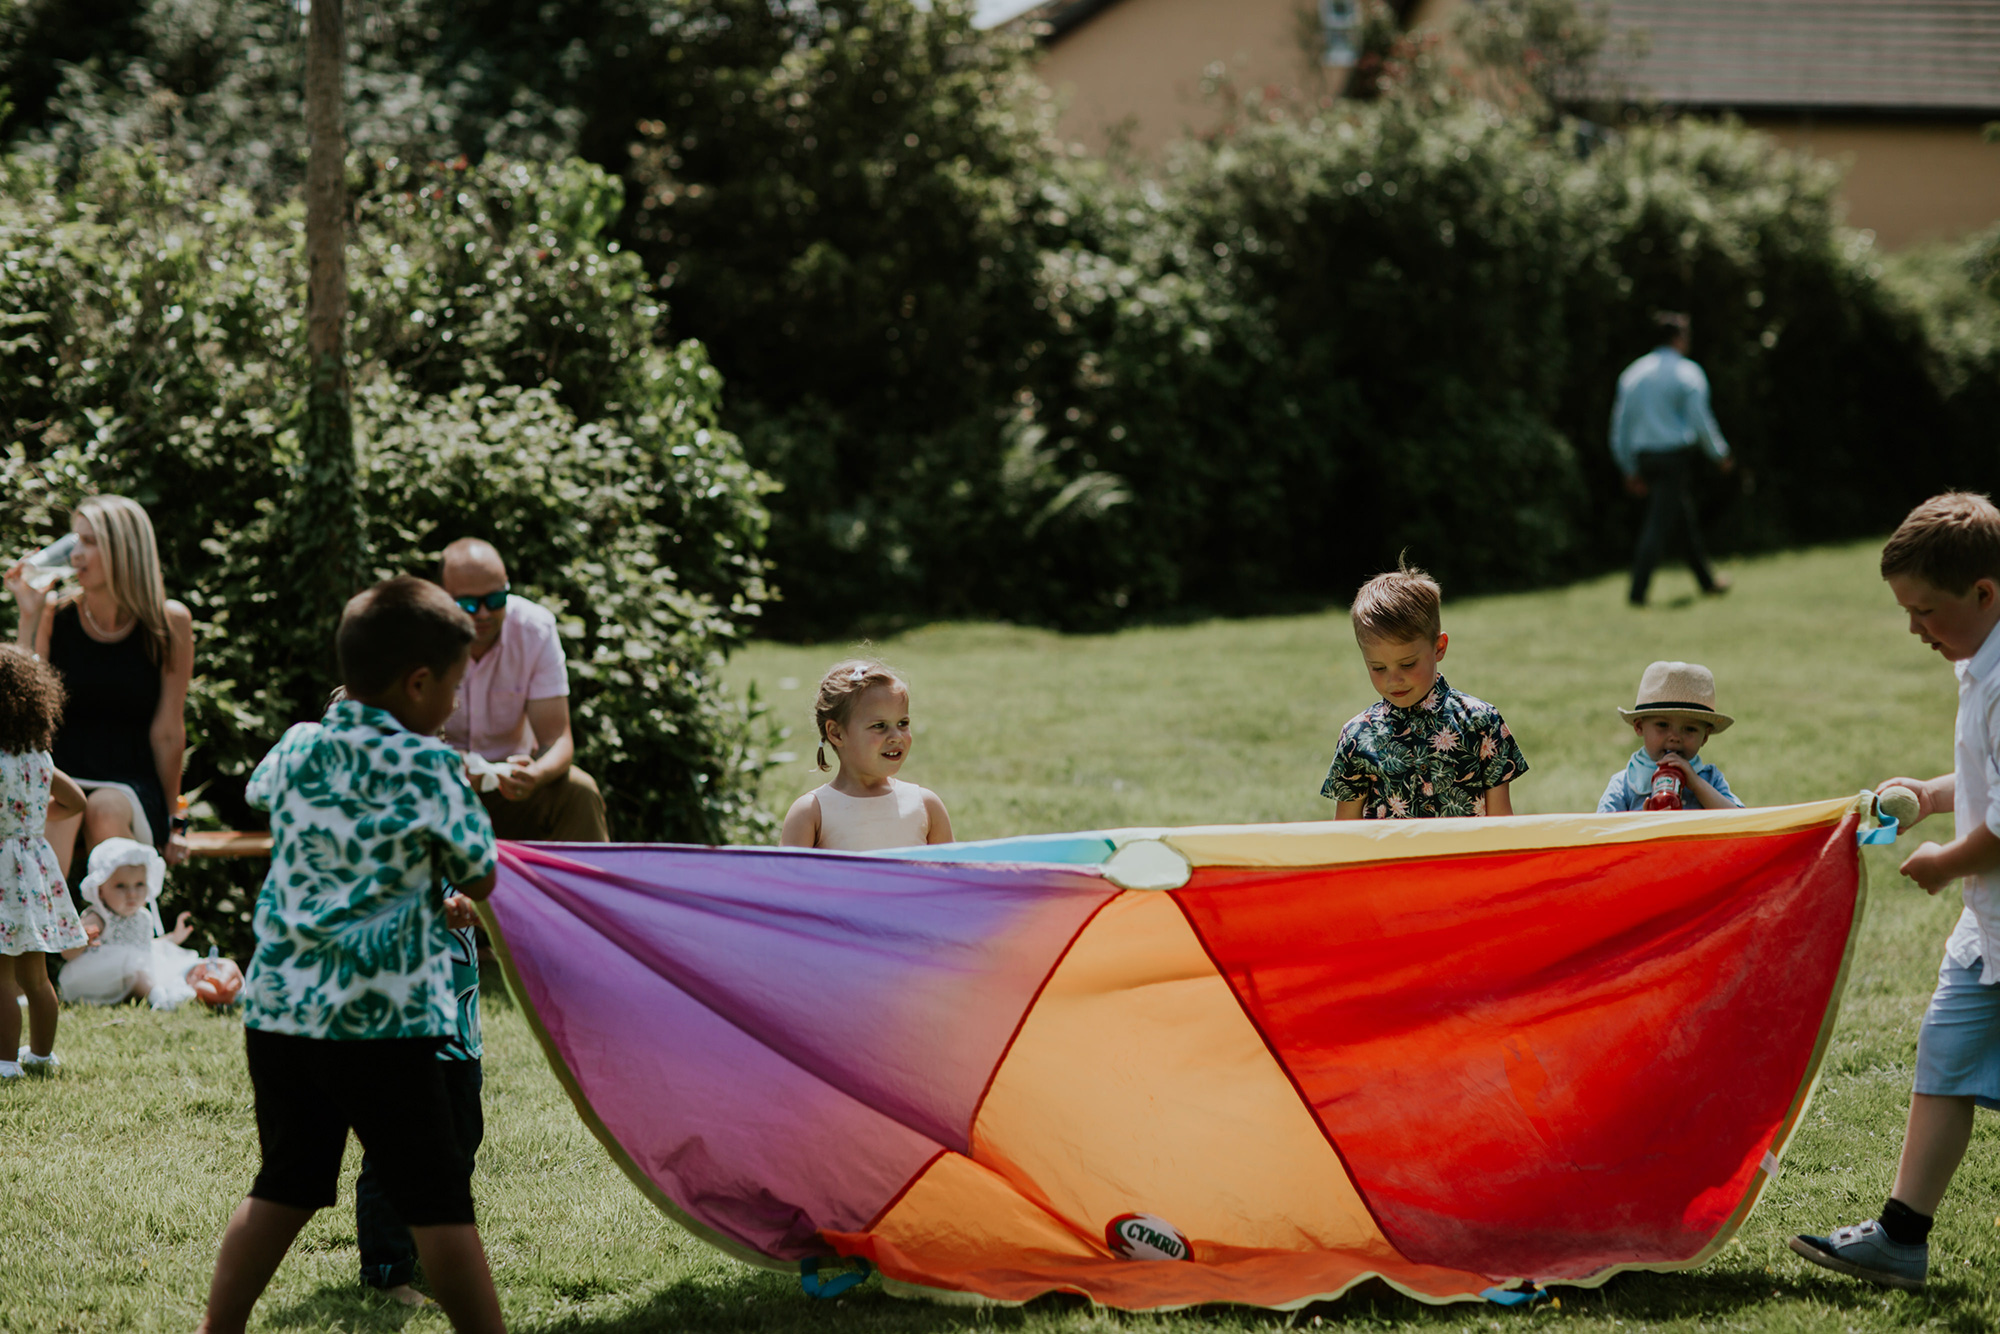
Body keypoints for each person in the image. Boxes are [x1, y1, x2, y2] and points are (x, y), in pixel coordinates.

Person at [197, 577, 505, 1334]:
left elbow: (263, 791)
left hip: (282, 1012)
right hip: (382, 1022)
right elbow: (483, 871)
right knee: (438, 1202)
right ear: (419, 682)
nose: (456, 706)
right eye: (456, 688)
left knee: (287, 1184)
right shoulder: (433, 770)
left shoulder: (301, 743)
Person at [1791, 494, 2000, 1293]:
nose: (1915, 629)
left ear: (1984, 594)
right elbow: (1987, 782)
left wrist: (1948, 862)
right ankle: (1901, 1237)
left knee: (1952, 1056)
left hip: (1990, 902)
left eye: (1926, 611)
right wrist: (1931, 792)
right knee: (1944, 1056)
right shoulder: (1976, 662)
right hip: (1986, 926)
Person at [4, 495, 196, 873]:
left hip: (130, 780)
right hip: (63, 772)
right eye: (75, 541)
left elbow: (168, 733)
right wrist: (29, 616)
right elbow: (23, 709)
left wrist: (175, 819)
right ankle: (50, 932)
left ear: (126, 548)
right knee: (56, 812)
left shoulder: (169, 623)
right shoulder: (55, 614)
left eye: (90, 542)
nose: (76, 555)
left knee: (105, 808)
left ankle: (121, 931)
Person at [354, 891, 485, 1308]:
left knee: (460, 1143)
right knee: (396, 1151)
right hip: (400, 1028)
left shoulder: (457, 841)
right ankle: (388, 1272)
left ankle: (434, 1243)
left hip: (460, 1030)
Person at [1321, 562, 1528, 819]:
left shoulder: (1482, 722)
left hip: (1466, 860)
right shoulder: (1357, 736)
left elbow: (1502, 826)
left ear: (1439, 647)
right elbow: (1344, 835)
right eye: (1378, 667)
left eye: (1408, 664)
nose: (1393, 680)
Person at [437, 538, 607, 842]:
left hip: (513, 791)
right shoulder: (424, 632)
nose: (484, 614)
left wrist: (537, 775)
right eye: (469, 605)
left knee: (580, 793)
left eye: (496, 599)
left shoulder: (535, 629)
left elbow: (557, 738)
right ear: (445, 599)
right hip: (438, 789)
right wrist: (444, 764)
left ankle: (584, 889)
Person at [0, 647, 88, 1078]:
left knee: (0, 978)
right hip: (31, 868)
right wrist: (33, 817)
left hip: (0, 871)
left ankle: (4, 1064)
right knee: (36, 977)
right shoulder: (39, 758)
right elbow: (76, 801)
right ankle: (40, 1056)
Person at [1611, 312, 1737, 606]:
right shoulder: (1687, 372)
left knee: (1681, 518)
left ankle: (1707, 582)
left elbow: (1620, 427)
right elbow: (1701, 421)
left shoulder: (1633, 374)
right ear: (1678, 338)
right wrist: (1720, 454)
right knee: (1658, 523)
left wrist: (1628, 467)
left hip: (1644, 457)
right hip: (1673, 457)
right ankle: (1637, 592)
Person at [781, 659, 954, 850]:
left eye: (903, 724)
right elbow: (789, 878)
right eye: (879, 726)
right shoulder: (811, 812)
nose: (896, 737)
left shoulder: (926, 806)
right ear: (836, 733)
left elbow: (951, 877)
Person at [57, 837, 207, 1009]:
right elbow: (67, 953)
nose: (132, 894)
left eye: (139, 884)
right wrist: (81, 939)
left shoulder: (143, 917)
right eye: (121, 886)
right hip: (98, 976)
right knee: (133, 965)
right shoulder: (99, 916)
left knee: (166, 961)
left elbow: (145, 946)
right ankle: (159, 998)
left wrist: (172, 938)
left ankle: (176, 990)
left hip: (133, 973)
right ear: (100, 890)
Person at [1595, 661, 1745, 813]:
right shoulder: (1625, 784)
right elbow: (1603, 831)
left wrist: (1696, 784)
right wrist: (1642, 822)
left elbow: (1741, 823)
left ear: (1705, 737)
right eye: (1662, 725)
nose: (1675, 737)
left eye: (1689, 729)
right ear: (1639, 726)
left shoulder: (1710, 779)